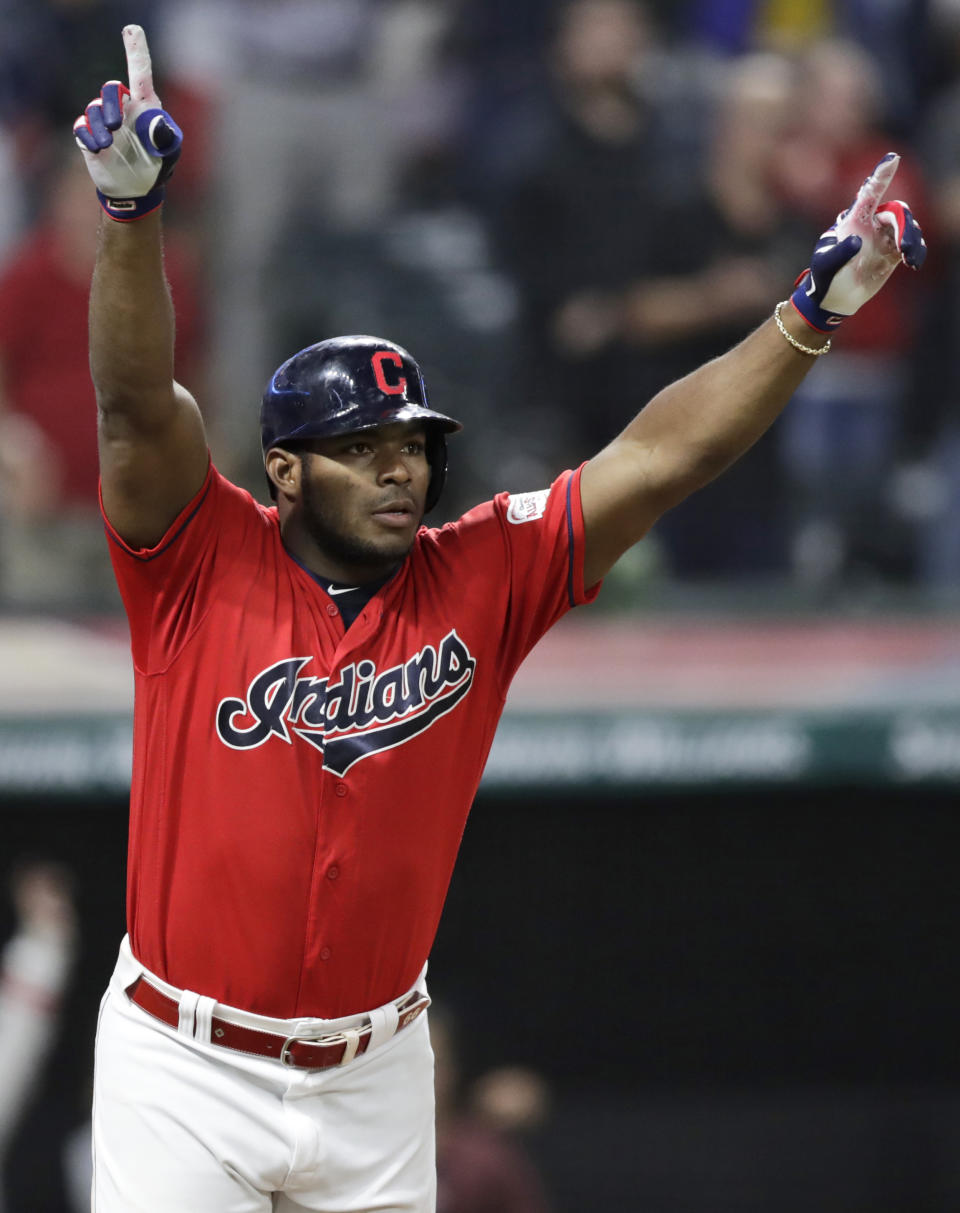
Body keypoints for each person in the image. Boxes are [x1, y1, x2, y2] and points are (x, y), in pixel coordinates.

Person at [72, 24, 925, 1212]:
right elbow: (130, 403)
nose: (398, 471)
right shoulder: (194, 556)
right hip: (184, 1062)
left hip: (378, 1076)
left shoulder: (483, 573)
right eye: (358, 449)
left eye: (411, 445)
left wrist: (804, 318)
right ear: (282, 473)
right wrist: (131, 214)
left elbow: (662, 456)